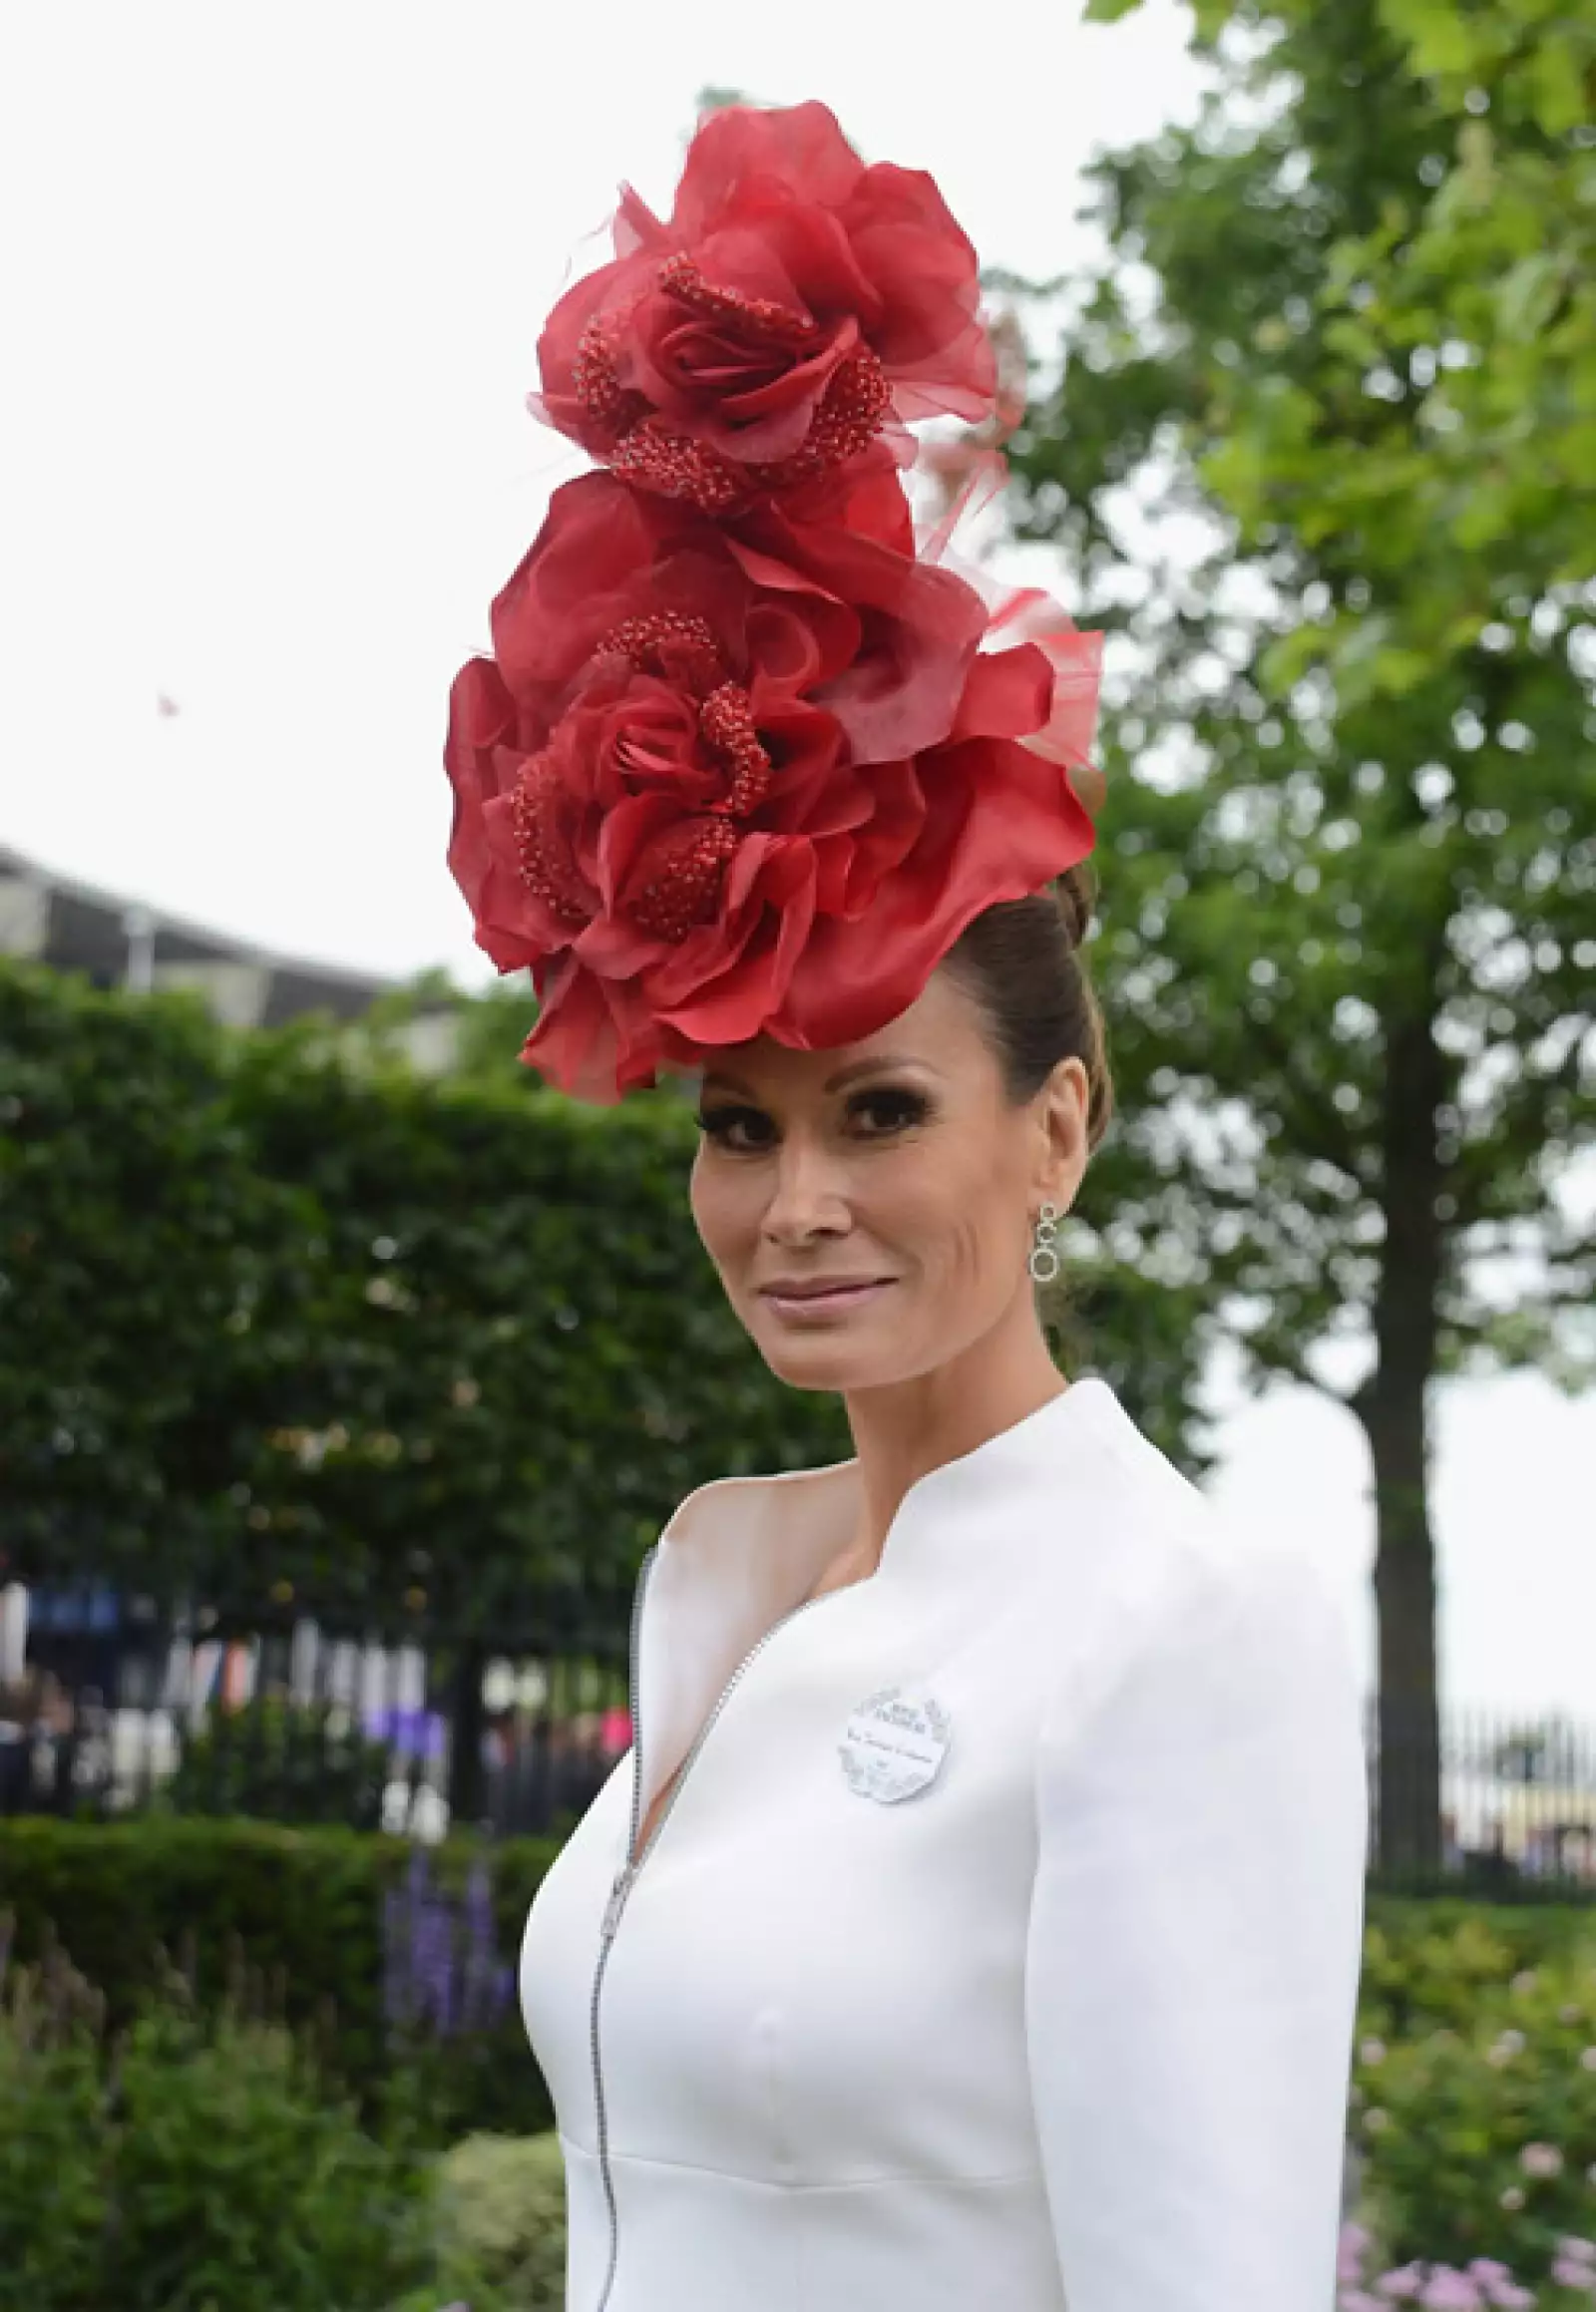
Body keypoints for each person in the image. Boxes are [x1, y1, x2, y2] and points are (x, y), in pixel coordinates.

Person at [443, 97, 1369, 2312]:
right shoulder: (713, 1575)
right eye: (737, 1126)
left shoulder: (1170, 1626)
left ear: (1052, 1131)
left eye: (876, 1112)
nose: (794, 1204)